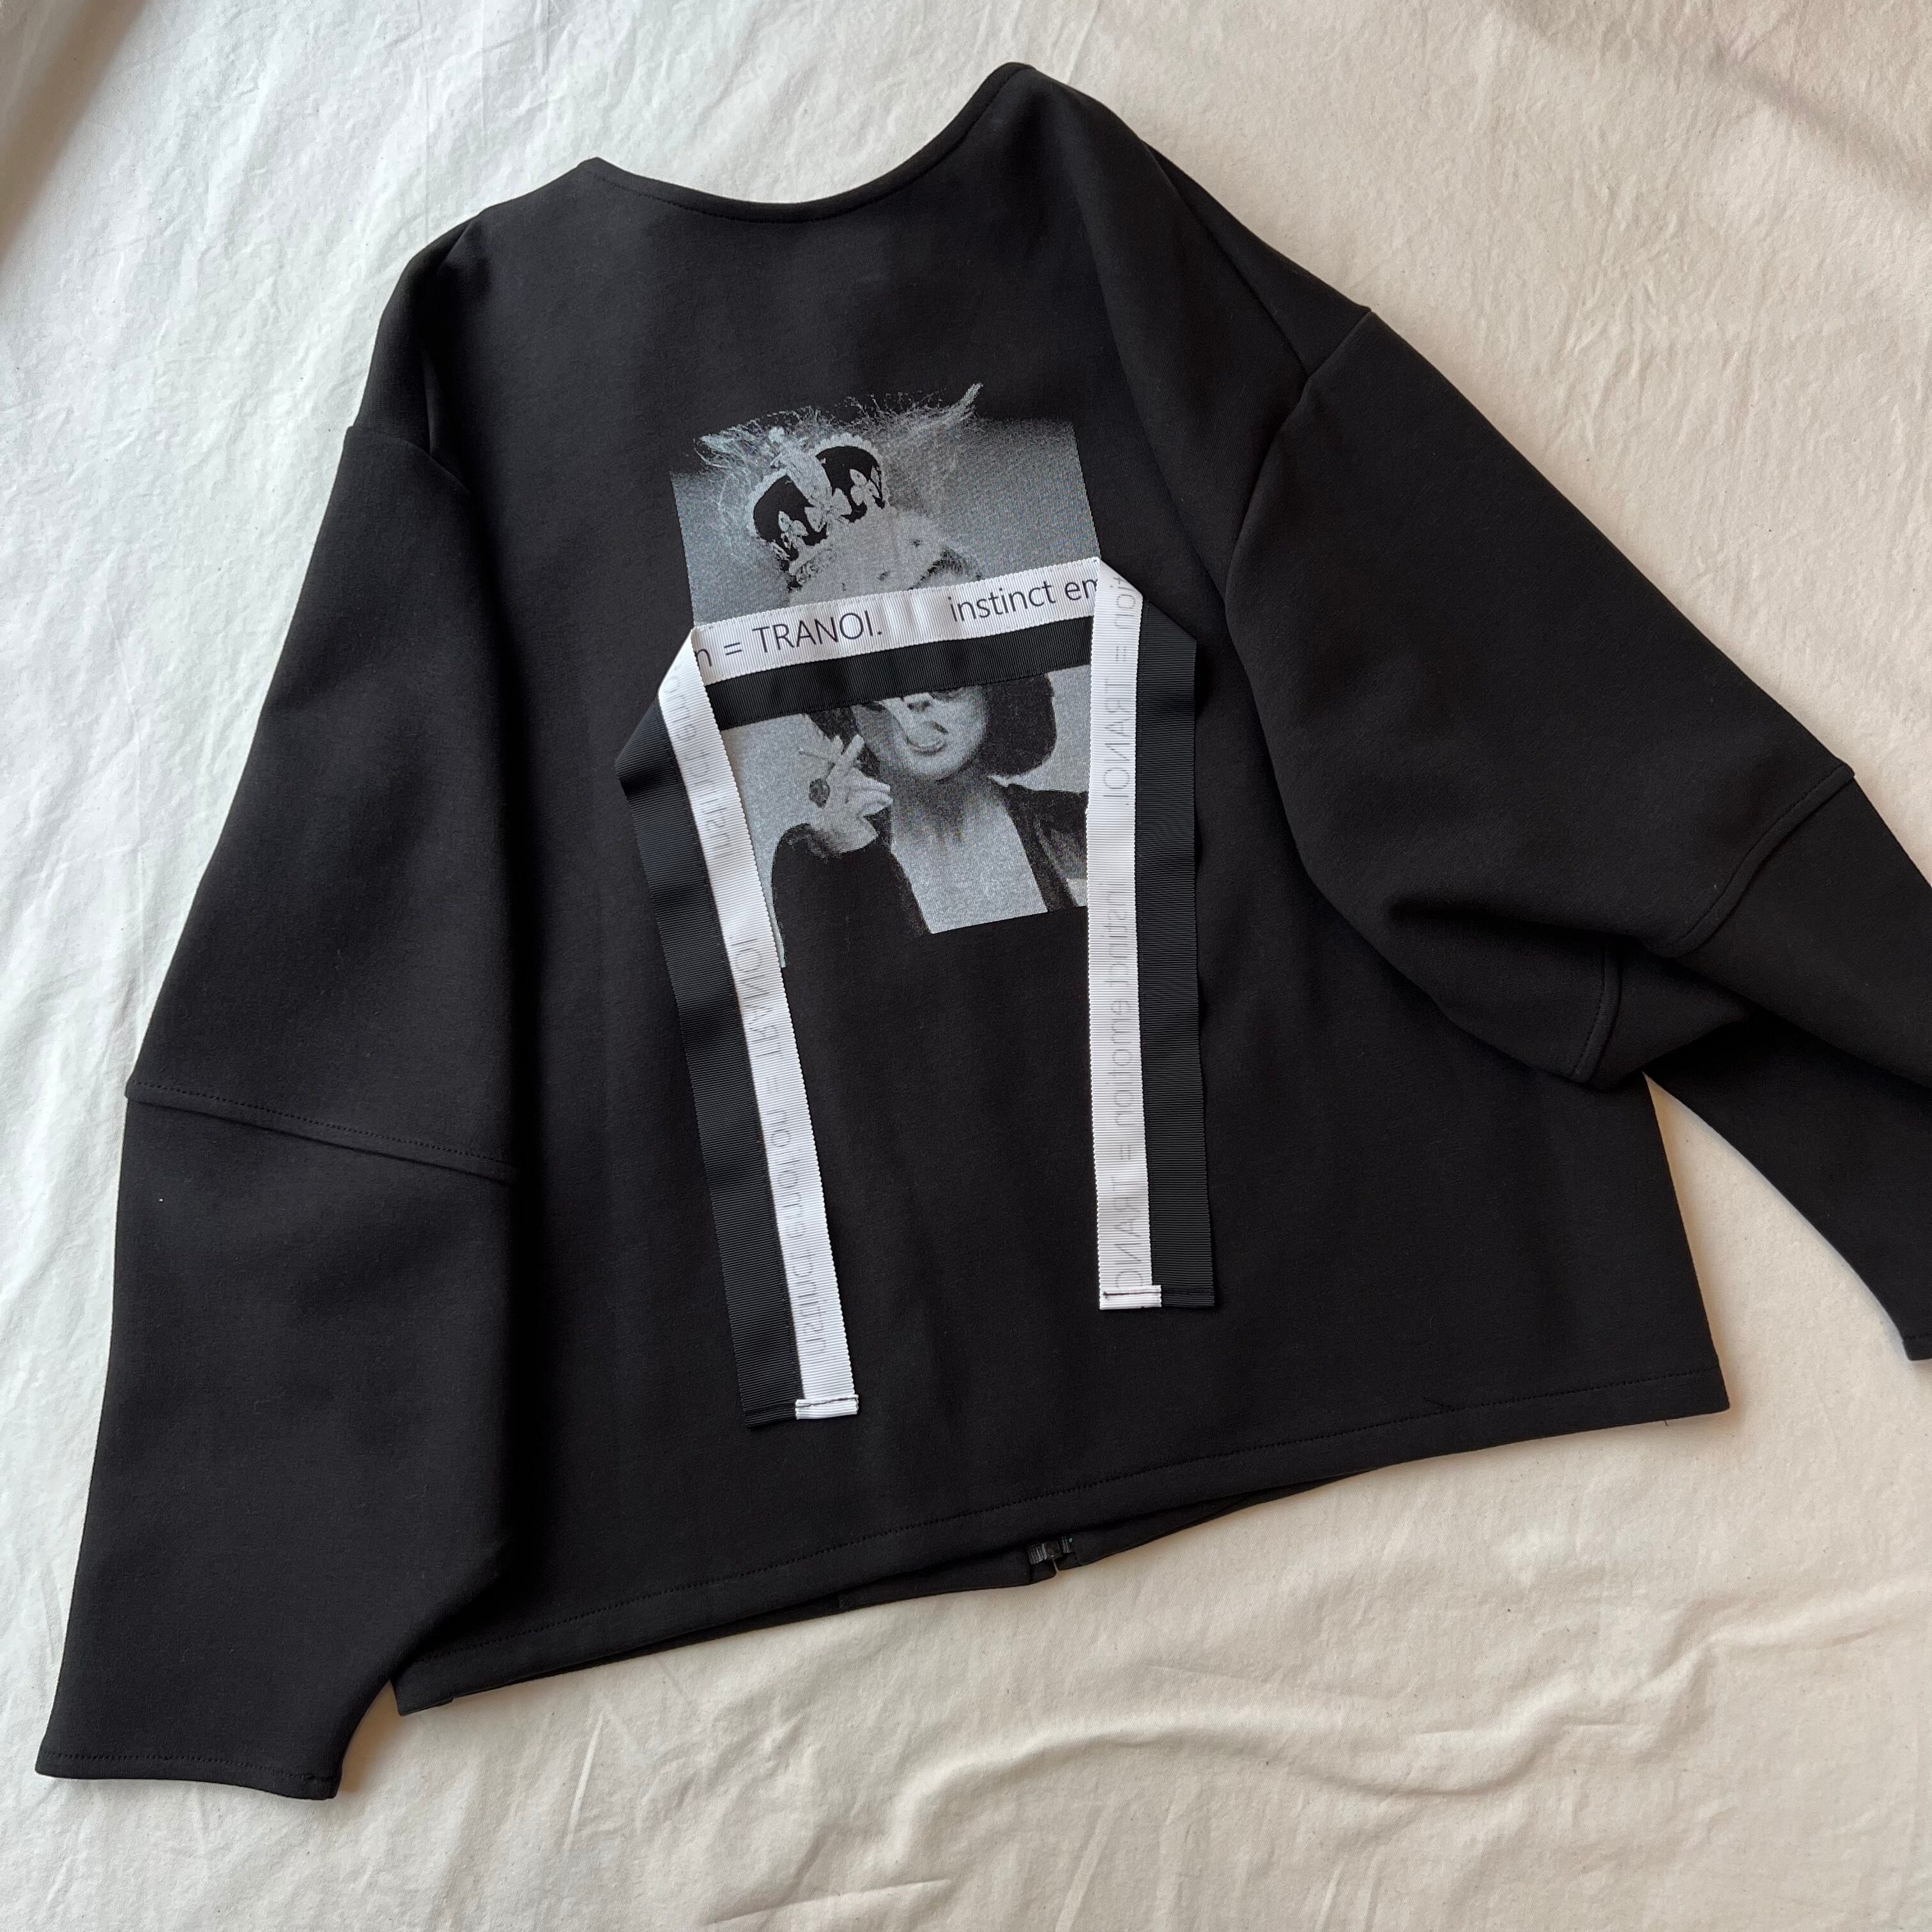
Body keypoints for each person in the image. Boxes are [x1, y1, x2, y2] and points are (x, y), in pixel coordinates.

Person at [769, 676, 1085, 970]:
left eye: (947, 679)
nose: (915, 699)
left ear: (994, 692)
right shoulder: (820, 860)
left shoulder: (1076, 824)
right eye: (885, 684)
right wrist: (859, 862)